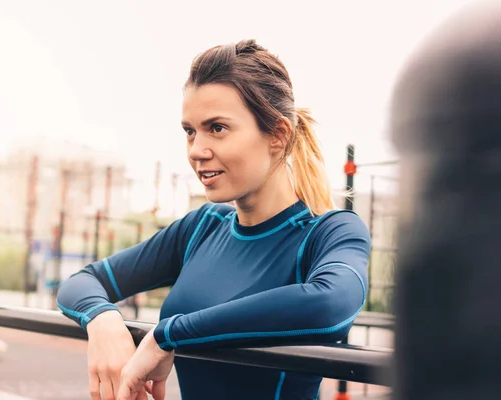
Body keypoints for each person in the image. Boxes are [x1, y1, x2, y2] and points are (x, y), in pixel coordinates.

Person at [57, 39, 371, 400]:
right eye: (190, 131)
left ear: (278, 135)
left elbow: (328, 305)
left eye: (217, 128)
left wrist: (166, 335)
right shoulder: (201, 227)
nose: (196, 150)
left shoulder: (329, 232)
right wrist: (103, 320)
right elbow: (84, 282)